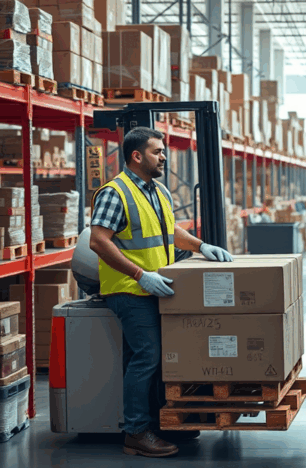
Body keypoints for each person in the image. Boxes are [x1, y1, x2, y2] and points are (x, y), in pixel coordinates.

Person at [89, 127, 233, 458]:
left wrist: (200, 246)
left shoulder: (159, 191)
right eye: (157, 151)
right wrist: (141, 275)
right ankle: (137, 432)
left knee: (161, 359)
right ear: (136, 156)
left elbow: (170, 229)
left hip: (159, 287)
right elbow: (99, 240)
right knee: (147, 356)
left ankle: (160, 421)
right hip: (130, 290)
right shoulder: (116, 192)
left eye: (164, 151)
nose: (164, 156)